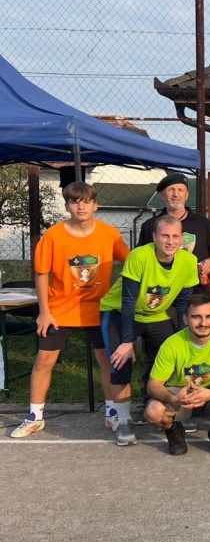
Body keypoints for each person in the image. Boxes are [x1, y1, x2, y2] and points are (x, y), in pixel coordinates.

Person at [11, 182, 129, 440]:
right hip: (59, 310)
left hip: (98, 308)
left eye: (86, 201)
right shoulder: (53, 236)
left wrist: (119, 294)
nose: (81, 206)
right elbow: (42, 274)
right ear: (67, 206)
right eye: (75, 202)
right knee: (44, 360)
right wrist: (44, 311)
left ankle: (112, 413)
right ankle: (35, 416)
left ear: (95, 205)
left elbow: (131, 262)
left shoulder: (109, 234)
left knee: (106, 360)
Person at [98, 215, 199, 445]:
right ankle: (123, 419)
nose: (170, 241)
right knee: (121, 360)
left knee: (171, 359)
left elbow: (183, 304)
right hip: (120, 311)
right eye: (165, 236)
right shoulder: (139, 256)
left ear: (182, 238)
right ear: (154, 237)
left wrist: (184, 338)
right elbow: (128, 301)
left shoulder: (188, 261)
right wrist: (127, 341)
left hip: (156, 314)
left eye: (175, 236)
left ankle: (166, 410)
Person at [143, 294, 210, 455]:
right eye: (196, 317)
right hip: (182, 396)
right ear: (185, 319)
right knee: (153, 412)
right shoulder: (172, 343)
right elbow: (153, 385)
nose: (203, 323)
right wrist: (174, 399)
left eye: (209, 316)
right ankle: (173, 429)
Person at [138, 172, 210, 289]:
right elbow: (140, 258)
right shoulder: (150, 226)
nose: (176, 194)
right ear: (162, 195)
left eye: (180, 190)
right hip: (161, 291)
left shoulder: (203, 224)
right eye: (171, 190)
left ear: (187, 195)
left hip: (196, 292)